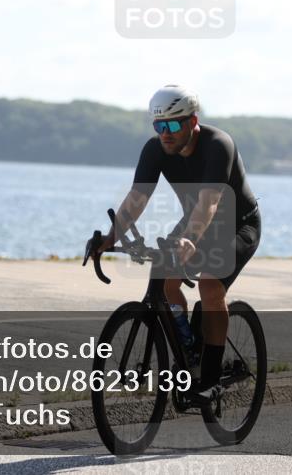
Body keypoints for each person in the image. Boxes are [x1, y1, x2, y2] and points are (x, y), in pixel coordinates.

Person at [88, 85, 261, 400]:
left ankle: (208, 382)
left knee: (210, 284)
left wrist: (189, 240)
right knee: (165, 282)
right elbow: (138, 197)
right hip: (196, 224)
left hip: (238, 224)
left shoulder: (218, 145)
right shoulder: (156, 149)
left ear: (192, 121)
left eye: (172, 125)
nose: (164, 133)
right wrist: (111, 237)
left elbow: (209, 203)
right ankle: (190, 351)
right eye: (158, 126)